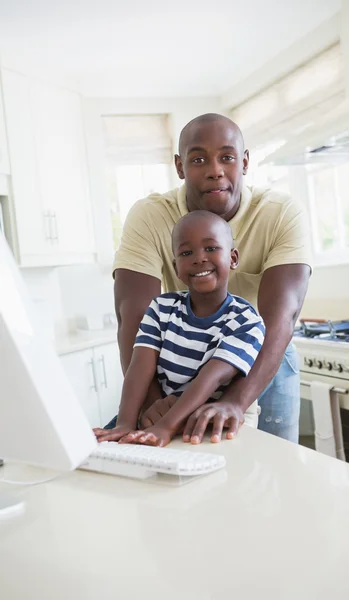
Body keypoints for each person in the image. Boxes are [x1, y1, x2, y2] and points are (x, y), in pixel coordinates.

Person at [110, 113, 312, 444]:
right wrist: (154, 404)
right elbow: (133, 317)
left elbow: (281, 319)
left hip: (263, 351)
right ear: (179, 166)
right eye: (199, 158)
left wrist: (235, 401)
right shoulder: (150, 216)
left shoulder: (281, 213)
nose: (215, 169)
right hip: (180, 352)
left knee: (271, 464)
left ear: (245, 162)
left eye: (227, 157)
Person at [94, 211, 265, 446]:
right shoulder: (162, 308)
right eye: (186, 253)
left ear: (233, 258)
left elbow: (210, 379)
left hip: (204, 424)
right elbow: (139, 367)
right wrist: (125, 422)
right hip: (160, 417)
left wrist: (166, 426)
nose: (199, 258)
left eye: (211, 248)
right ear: (176, 268)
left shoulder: (246, 321)